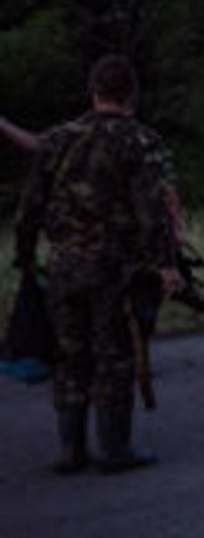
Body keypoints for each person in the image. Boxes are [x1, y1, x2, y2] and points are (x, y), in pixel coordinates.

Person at [12, 55, 180, 473]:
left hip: (64, 265)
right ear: (132, 96)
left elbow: (28, 207)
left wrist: (26, 257)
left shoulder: (58, 139)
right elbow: (152, 211)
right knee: (114, 356)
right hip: (113, 267)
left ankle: (71, 450)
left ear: (93, 90)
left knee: (71, 357)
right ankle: (115, 448)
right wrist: (165, 264)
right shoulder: (138, 141)